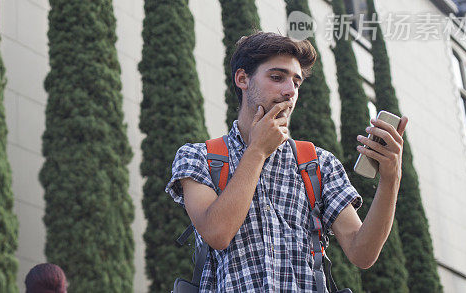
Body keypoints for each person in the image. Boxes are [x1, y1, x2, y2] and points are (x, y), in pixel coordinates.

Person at [166, 31, 408, 291]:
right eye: (277, 77)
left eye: (296, 81)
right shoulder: (198, 157)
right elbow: (217, 234)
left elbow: (362, 253)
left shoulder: (318, 164)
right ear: (242, 78)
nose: (290, 90)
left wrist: (391, 177)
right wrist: (258, 150)